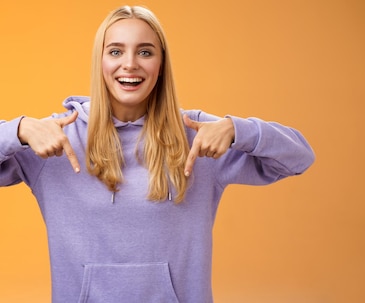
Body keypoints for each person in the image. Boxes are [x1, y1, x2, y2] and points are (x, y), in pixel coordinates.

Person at [0, 5, 314, 303]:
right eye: (116, 51)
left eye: (145, 52)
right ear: (100, 61)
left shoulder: (197, 135)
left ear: (160, 65)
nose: (130, 63)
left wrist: (237, 129)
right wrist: (18, 130)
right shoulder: (56, 139)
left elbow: (299, 157)